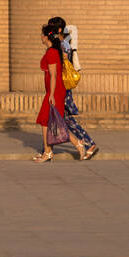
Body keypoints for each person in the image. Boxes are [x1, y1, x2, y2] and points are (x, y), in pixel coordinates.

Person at [32, 18, 88, 162]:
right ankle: (78, 144)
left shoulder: (51, 52)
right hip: (54, 91)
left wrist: (51, 94)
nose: (40, 37)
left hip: (54, 92)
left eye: (41, 35)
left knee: (45, 121)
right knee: (55, 122)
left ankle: (48, 152)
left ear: (46, 37)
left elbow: (54, 75)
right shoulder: (53, 50)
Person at [59, 18, 98, 160]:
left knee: (62, 117)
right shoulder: (64, 44)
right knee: (64, 118)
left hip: (63, 86)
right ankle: (85, 142)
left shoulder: (63, 46)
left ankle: (87, 142)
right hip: (64, 86)